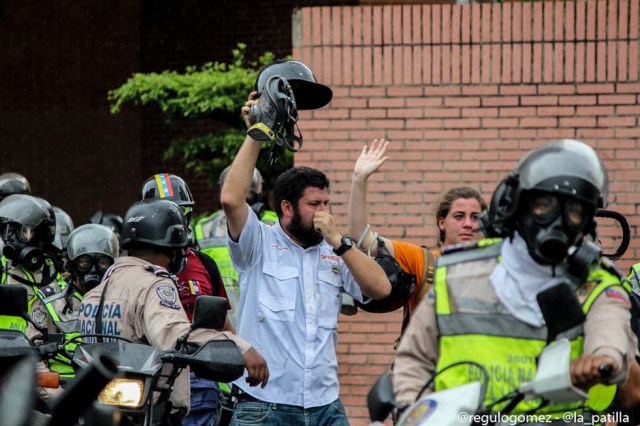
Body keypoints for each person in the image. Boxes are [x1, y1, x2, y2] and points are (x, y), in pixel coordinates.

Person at [393, 139, 636, 420]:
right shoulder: (460, 271)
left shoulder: (596, 282)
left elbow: (611, 334)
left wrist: (603, 360)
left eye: (575, 211)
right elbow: (414, 359)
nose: (558, 222)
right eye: (544, 205)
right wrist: (415, 413)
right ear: (515, 205)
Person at [220, 91, 391, 426]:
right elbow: (230, 199)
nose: (323, 211)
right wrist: (258, 131)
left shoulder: (334, 248)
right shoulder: (260, 241)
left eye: (326, 203)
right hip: (265, 406)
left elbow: (381, 288)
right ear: (287, 208)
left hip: (325, 406)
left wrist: (341, 243)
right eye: (315, 204)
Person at [77, 199, 269, 422]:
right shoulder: (154, 284)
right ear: (173, 251)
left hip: (100, 409)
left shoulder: (95, 293)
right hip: (147, 412)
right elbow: (174, 336)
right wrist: (239, 346)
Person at [348, 138, 487, 341]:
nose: (468, 224)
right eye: (459, 216)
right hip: (426, 369)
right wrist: (359, 178)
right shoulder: (423, 261)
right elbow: (361, 236)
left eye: (475, 217)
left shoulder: (496, 263)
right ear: (442, 223)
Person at [141, 172, 233, 426]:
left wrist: (237, 364)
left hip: (198, 384)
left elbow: (223, 325)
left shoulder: (205, 265)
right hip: (144, 379)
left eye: (181, 214)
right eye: (167, 215)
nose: (176, 223)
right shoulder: (127, 269)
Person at [0, 194, 82, 400]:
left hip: (43, 368)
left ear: (41, 235)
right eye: (6, 231)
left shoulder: (60, 276)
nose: (10, 239)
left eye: (20, 232)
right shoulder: (2, 270)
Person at [193, 167, 277, 328]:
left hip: (219, 315)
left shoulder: (204, 227)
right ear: (258, 193)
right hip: (258, 318)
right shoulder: (273, 224)